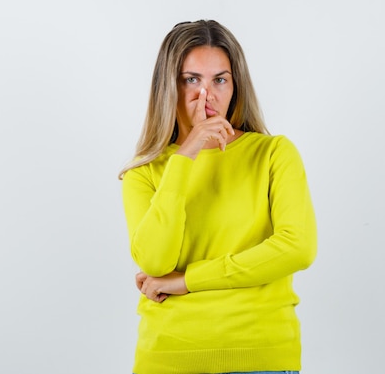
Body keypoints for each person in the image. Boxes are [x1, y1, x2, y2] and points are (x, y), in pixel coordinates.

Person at [119, 20, 317, 374]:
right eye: (191, 79)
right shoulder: (143, 173)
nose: (206, 95)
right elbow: (155, 262)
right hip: (168, 357)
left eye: (219, 79)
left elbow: (297, 248)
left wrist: (187, 280)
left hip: (259, 355)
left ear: (235, 86)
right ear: (169, 86)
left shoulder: (274, 154)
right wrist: (185, 156)